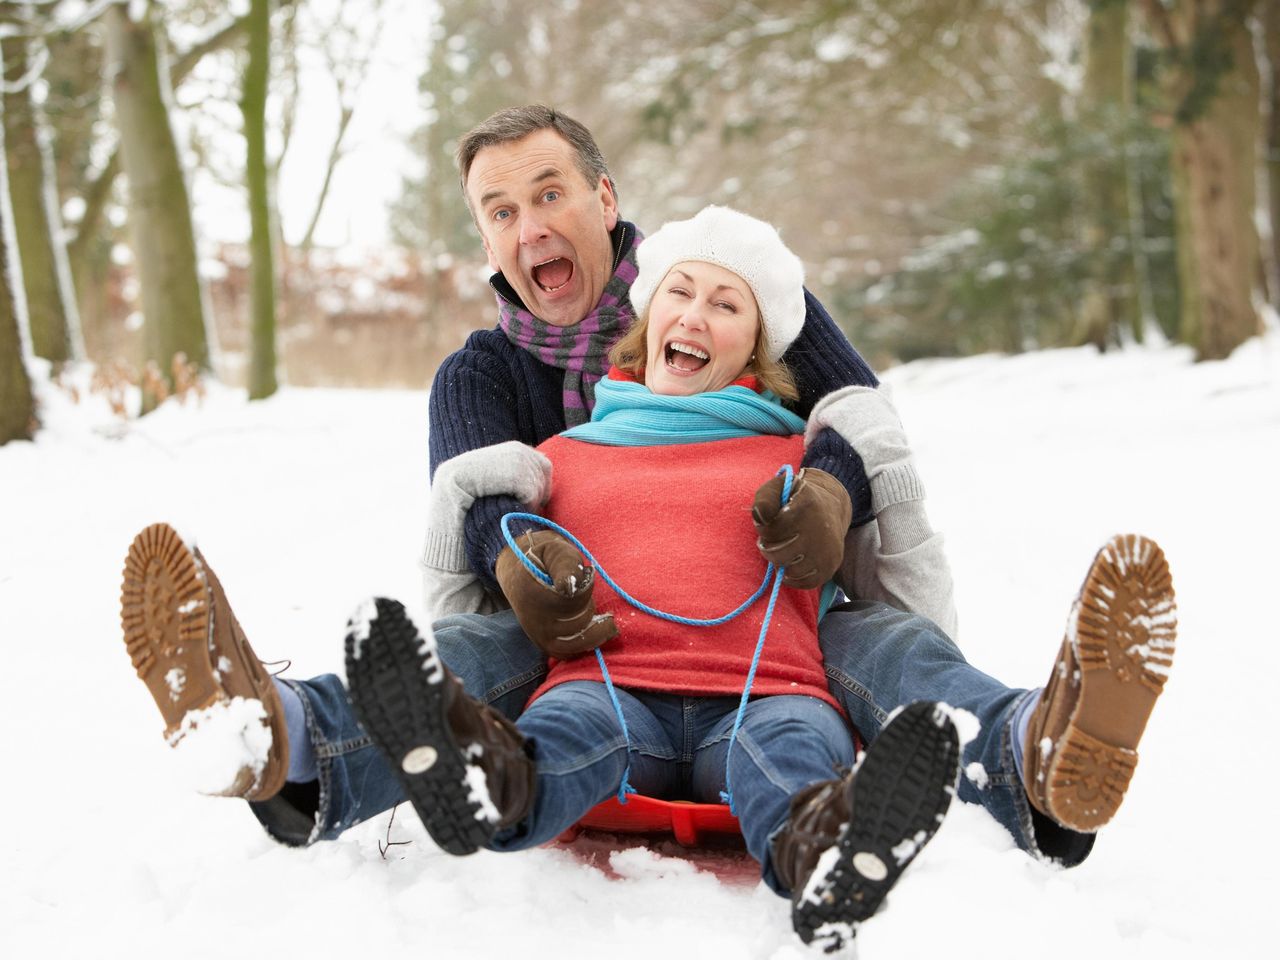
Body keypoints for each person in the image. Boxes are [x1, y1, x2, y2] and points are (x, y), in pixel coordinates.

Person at [119, 105, 1175, 877]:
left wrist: (830, 493)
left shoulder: (735, 288)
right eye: (499, 211)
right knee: (486, 652)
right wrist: (513, 554)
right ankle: (284, 731)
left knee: (882, 645)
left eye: (547, 194)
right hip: (585, 638)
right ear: (484, 241)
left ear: (604, 201)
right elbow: (480, 495)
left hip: (774, 632)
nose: (528, 227)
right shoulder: (488, 381)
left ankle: (1032, 750)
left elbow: (859, 418)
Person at [344, 206, 964, 951]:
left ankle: (826, 853)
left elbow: (897, 595)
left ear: (760, 352)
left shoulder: (801, 456)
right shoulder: (560, 457)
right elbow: (487, 603)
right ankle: (489, 783)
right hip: (607, 686)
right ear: (646, 322)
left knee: (792, 754)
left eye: (727, 303)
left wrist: (858, 482)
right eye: (679, 292)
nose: (695, 315)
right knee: (563, 736)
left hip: (767, 693)